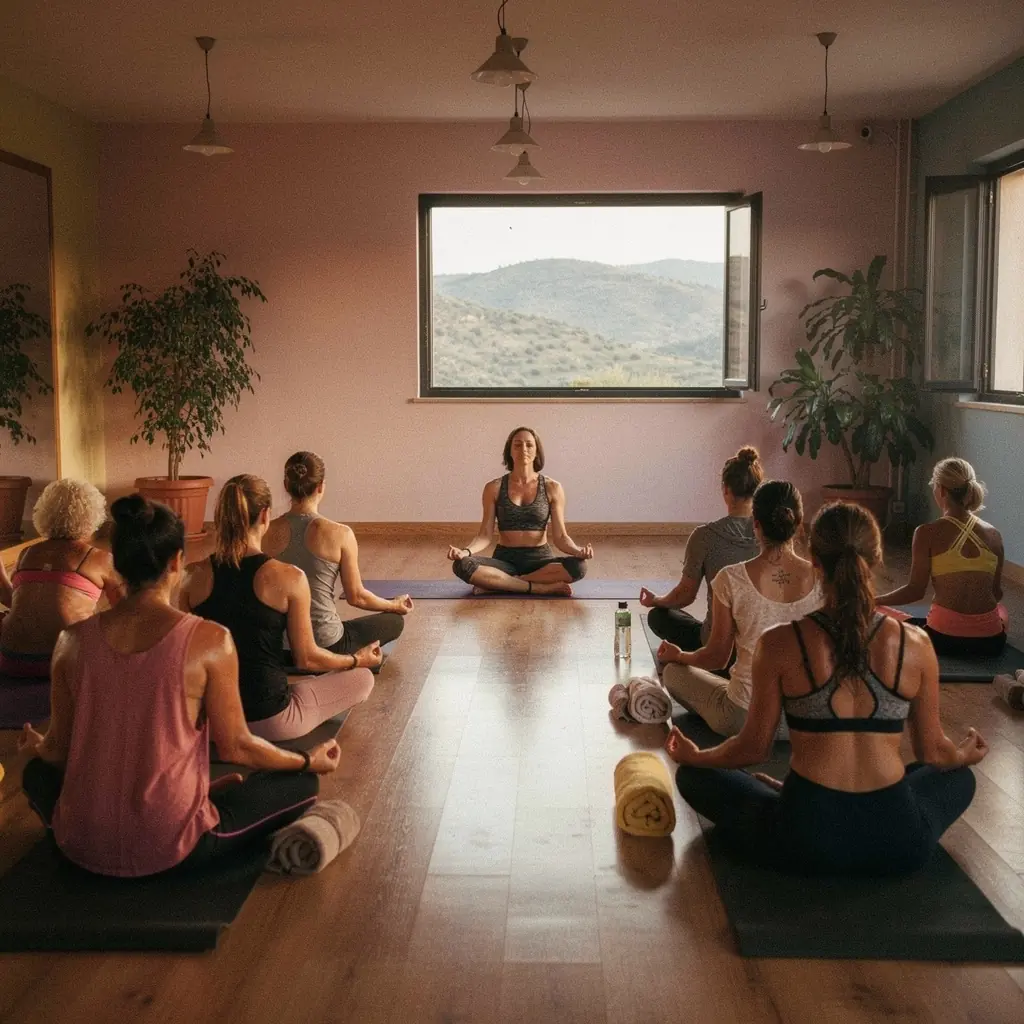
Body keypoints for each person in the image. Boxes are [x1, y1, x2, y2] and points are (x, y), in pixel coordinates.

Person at [19, 495, 340, 877]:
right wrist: (308, 760)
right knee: (301, 784)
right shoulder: (211, 640)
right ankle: (201, 809)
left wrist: (35, 748)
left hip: (78, 841)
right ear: (176, 561)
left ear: (117, 563)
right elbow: (238, 746)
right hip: (173, 845)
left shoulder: (69, 641)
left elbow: (57, 751)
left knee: (35, 772)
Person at [665, 501, 985, 876]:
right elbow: (935, 752)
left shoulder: (780, 642)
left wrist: (695, 756)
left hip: (805, 838)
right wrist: (964, 754)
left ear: (814, 561)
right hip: (898, 842)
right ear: (877, 558)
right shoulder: (916, 645)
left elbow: (752, 748)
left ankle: (783, 795)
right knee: (958, 777)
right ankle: (791, 797)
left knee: (694, 778)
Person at [182, 475, 378, 742]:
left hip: (213, 724)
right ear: (265, 516)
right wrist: (357, 660)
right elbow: (306, 659)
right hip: (271, 720)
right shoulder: (289, 578)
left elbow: (188, 660)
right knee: (363, 679)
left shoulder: (193, 576)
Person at [657, 481, 822, 737]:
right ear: (799, 524)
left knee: (672, 673)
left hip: (744, 719)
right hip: (806, 720)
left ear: (755, 523)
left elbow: (717, 658)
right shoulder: (824, 578)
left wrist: (679, 656)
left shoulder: (731, 578)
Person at [263, 452, 410, 664]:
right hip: (327, 643)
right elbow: (356, 597)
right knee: (394, 622)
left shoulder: (266, 531)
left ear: (286, 485)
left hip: (279, 646)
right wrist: (393, 605)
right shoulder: (341, 534)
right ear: (321, 486)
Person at [876, 458, 1007, 657]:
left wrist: (873, 600)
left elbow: (915, 591)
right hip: (991, 643)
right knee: (1002, 612)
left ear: (942, 490)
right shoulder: (994, 534)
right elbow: (996, 593)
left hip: (941, 640)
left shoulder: (926, 532)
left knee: (879, 612)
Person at [640, 446, 763, 651]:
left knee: (658, 616)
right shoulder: (771, 535)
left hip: (716, 648)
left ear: (725, 489)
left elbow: (685, 596)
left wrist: (657, 600)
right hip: (763, 647)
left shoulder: (704, 536)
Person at [448, 426, 593, 595]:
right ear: (509, 451)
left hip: (540, 561)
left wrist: (578, 551)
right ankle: (539, 587)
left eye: (529, 445)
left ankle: (500, 583)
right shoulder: (493, 488)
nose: (523, 449)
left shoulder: (552, 487)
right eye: (517, 445)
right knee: (461, 565)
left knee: (579, 567)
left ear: (536, 450)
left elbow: (561, 537)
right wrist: (464, 552)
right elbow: (485, 535)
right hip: (505, 560)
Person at [1, 479, 123, 680]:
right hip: (64, 663)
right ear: (93, 516)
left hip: (11, 658)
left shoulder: (27, 553)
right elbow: (126, 610)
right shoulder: (98, 558)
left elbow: (13, 601)